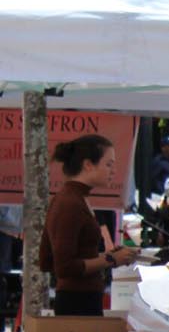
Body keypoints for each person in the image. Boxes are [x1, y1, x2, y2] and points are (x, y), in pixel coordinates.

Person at [41, 133, 134, 316]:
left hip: (83, 297)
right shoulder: (69, 202)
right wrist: (110, 260)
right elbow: (63, 265)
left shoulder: (76, 199)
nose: (113, 171)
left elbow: (56, 258)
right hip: (76, 301)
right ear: (88, 165)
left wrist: (106, 256)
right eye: (108, 164)